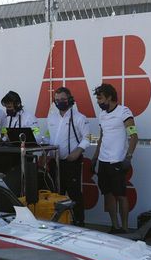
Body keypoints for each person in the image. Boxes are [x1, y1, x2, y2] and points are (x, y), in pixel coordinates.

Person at [90, 83, 138, 234]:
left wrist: (128, 157)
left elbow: (134, 136)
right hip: (103, 161)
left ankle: (124, 228)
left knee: (121, 195)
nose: (99, 102)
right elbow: (102, 137)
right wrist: (94, 158)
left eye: (101, 99)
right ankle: (115, 226)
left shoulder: (124, 111)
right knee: (108, 194)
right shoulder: (102, 115)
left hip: (117, 160)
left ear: (110, 97)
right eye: (97, 99)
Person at [47, 86, 91, 226]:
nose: (60, 102)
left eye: (63, 99)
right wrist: (45, 152)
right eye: (57, 99)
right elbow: (49, 135)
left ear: (70, 99)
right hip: (55, 162)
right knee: (56, 193)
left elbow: (88, 137)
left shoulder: (79, 117)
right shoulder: (51, 117)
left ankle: (79, 222)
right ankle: (58, 222)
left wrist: (78, 151)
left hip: (71, 162)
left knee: (74, 194)